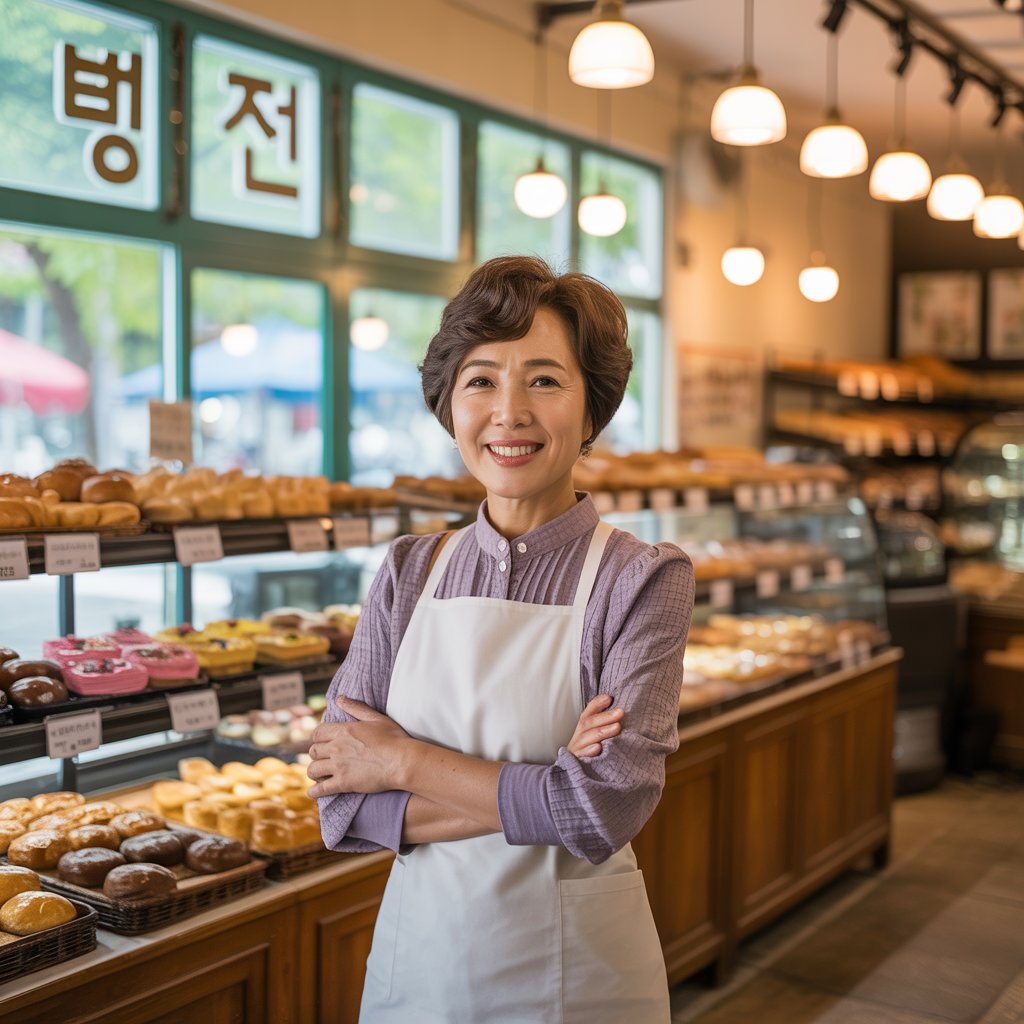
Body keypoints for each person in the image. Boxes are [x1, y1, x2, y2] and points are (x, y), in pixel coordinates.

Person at [307, 255, 694, 1023]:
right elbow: (342, 811)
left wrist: (404, 760)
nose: (508, 412)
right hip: (419, 966)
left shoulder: (642, 578)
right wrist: (551, 783)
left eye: (544, 381)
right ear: (450, 405)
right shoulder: (410, 571)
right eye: (481, 380)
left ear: (592, 412)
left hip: (577, 979)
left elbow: (604, 813)